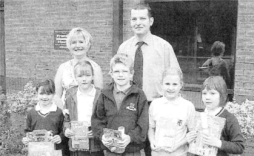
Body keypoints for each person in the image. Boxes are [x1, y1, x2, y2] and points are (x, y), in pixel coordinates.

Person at [117, 3, 181, 156]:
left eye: (142, 18)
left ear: (150, 21)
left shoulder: (164, 47)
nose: (137, 22)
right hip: (130, 103)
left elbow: (176, 78)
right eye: (134, 19)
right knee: (131, 147)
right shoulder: (124, 48)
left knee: (156, 148)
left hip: (155, 104)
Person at [91, 53, 149, 156]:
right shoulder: (104, 94)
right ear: (111, 73)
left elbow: (143, 124)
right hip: (110, 150)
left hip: (132, 150)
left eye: (125, 71)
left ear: (131, 74)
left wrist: (130, 137)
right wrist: (102, 136)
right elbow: (97, 120)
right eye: (116, 71)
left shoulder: (139, 95)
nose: (120, 75)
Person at [187, 76, 245, 156]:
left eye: (212, 93)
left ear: (221, 95)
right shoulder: (198, 117)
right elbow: (191, 144)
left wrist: (218, 143)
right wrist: (188, 139)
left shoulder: (229, 119)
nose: (207, 97)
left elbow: (239, 146)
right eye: (204, 93)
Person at [148, 68, 195, 156]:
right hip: (158, 153)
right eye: (167, 84)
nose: (171, 88)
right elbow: (151, 128)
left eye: (174, 84)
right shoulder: (155, 104)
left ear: (181, 85)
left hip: (179, 153)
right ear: (161, 84)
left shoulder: (188, 106)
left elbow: (192, 133)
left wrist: (177, 145)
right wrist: (152, 141)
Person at [54, 27, 103, 109]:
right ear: (69, 45)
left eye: (81, 42)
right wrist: (64, 112)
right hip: (66, 114)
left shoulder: (95, 68)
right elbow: (56, 96)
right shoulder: (63, 68)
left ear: (88, 45)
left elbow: (98, 96)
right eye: (73, 42)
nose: (77, 45)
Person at [63, 60, 104, 156]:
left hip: (95, 141)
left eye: (87, 75)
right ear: (75, 77)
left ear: (93, 76)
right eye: (80, 76)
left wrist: (97, 132)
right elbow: (66, 118)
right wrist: (67, 130)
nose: (84, 79)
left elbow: (105, 118)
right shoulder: (70, 95)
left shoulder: (100, 95)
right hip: (76, 141)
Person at [22, 79, 66, 155]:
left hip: (54, 151)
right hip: (36, 151)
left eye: (48, 94)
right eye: (41, 94)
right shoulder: (31, 113)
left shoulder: (59, 113)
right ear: (36, 93)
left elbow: (64, 130)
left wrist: (60, 137)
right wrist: (26, 139)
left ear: (53, 94)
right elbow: (27, 131)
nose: (44, 97)